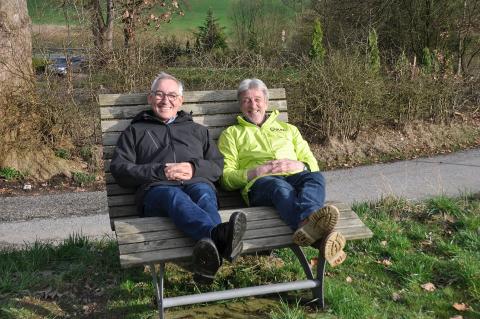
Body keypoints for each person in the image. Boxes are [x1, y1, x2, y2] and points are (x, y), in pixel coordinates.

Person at [110, 72, 247, 281]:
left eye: (172, 95)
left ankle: (208, 261)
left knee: (204, 194)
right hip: (157, 191)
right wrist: (159, 171)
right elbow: (120, 170)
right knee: (173, 196)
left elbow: (217, 166)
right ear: (150, 98)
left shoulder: (197, 130)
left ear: (181, 100)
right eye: (159, 94)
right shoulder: (135, 131)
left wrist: (194, 169)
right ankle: (220, 237)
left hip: (196, 183)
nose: (166, 100)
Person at [217, 78, 346, 267]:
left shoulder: (289, 129)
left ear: (266, 102)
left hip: (295, 176)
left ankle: (312, 228)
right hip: (261, 185)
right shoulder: (231, 134)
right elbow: (226, 179)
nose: (253, 105)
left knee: (315, 177)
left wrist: (299, 166)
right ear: (240, 105)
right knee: (279, 187)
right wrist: (257, 171)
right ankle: (314, 230)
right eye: (246, 100)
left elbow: (312, 163)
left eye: (258, 99)